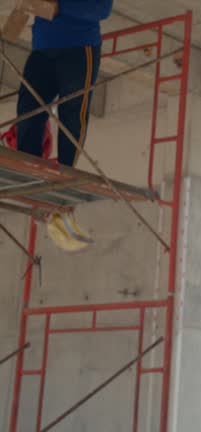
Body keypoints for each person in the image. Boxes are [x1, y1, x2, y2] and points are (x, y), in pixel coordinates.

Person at [14, 0, 113, 250]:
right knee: (28, 109)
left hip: (79, 47)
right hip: (43, 48)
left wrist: (60, 7)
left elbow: (102, 9)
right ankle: (29, 169)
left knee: (73, 114)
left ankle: (65, 177)